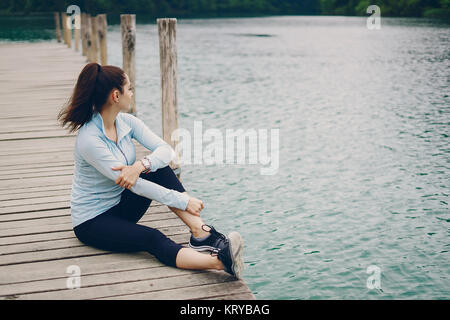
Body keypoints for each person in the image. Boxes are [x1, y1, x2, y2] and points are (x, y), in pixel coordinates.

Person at [57, 62, 244, 279]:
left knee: (158, 168)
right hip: (93, 222)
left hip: (120, 205)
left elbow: (166, 151)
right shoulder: (90, 140)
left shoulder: (126, 122)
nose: (132, 93)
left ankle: (201, 234)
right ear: (116, 96)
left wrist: (140, 165)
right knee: (152, 238)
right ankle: (221, 262)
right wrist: (183, 200)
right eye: (130, 88)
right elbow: (135, 185)